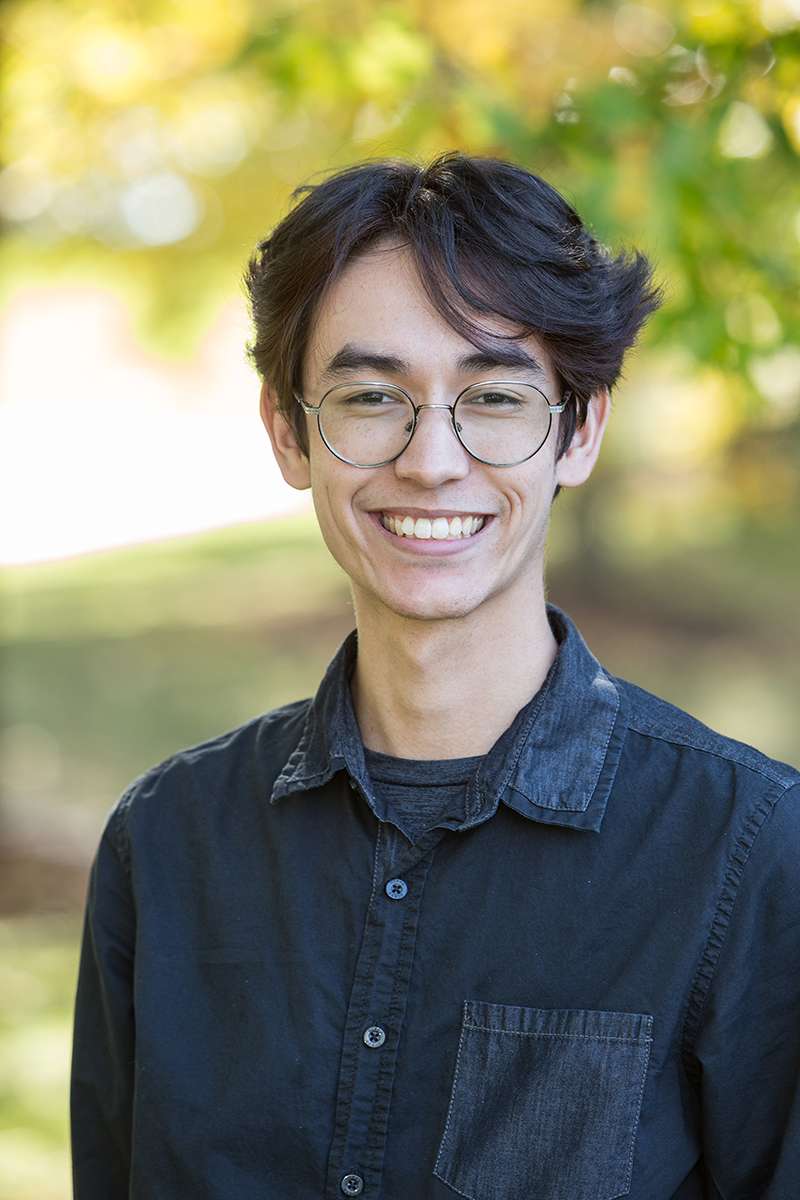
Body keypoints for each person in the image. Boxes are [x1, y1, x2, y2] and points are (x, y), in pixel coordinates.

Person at [70, 151, 800, 1199]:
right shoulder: (164, 844)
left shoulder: (747, 851)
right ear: (289, 433)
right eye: (371, 396)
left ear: (578, 432)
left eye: (493, 396)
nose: (430, 459)